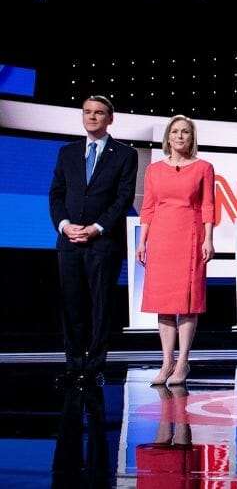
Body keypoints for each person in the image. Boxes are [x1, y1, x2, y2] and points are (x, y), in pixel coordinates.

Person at [48, 95, 137, 389]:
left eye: (99, 113)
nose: (92, 117)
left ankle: (94, 367)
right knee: (71, 306)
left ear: (110, 118)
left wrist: (98, 227)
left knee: (100, 307)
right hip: (69, 242)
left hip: (103, 243)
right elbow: (56, 194)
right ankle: (73, 366)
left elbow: (123, 198)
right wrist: (64, 226)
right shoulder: (67, 152)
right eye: (87, 112)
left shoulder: (125, 154)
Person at [136, 115, 215, 388]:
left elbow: (209, 206)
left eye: (185, 132)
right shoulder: (154, 170)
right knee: (165, 305)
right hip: (161, 237)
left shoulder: (203, 167)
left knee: (188, 304)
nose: (180, 136)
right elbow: (148, 207)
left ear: (191, 138)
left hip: (190, 237)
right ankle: (167, 361)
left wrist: (209, 239)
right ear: (167, 137)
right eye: (175, 132)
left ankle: (183, 361)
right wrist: (142, 241)